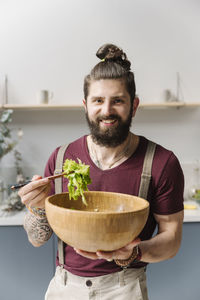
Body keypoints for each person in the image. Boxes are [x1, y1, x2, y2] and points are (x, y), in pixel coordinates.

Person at [19, 43, 184, 300]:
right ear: (85, 105)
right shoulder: (61, 158)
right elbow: (37, 239)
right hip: (64, 287)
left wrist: (133, 253)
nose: (106, 111)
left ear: (134, 105)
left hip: (124, 288)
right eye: (98, 101)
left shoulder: (161, 162)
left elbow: (171, 240)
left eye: (117, 101)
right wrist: (38, 208)